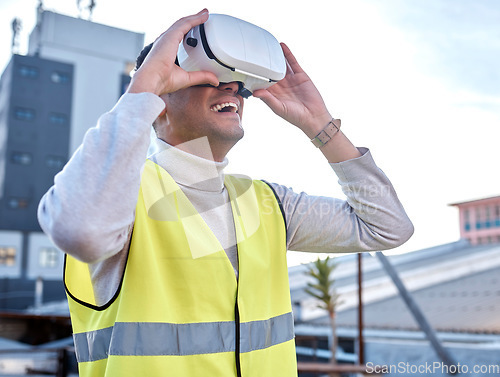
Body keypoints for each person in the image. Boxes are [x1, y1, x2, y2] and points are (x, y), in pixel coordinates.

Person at [38, 9, 413, 377]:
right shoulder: (122, 196)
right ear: (160, 103)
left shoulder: (269, 205)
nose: (232, 87)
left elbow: (387, 226)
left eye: (237, 82)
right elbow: (79, 230)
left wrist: (320, 125)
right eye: (209, 76)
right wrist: (143, 88)